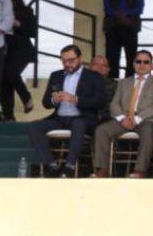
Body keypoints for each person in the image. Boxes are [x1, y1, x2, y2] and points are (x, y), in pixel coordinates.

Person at [26, 45, 108, 177]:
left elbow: (100, 102)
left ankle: (69, 167)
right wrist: (54, 100)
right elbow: (46, 102)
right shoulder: (56, 75)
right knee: (33, 127)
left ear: (80, 58)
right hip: (59, 119)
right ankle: (52, 165)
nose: (67, 64)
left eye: (71, 60)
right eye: (64, 61)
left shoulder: (94, 77)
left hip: (83, 119)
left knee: (78, 124)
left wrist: (76, 99)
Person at [92, 50, 153, 178]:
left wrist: (137, 118)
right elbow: (114, 104)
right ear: (133, 64)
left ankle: (140, 171)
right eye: (138, 61)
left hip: (146, 119)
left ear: (151, 66)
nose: (142, 65)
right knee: (101, 130)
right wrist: (122, 119)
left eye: (146, 62)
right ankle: (102, 170)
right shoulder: (124, 82)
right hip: (125, 119)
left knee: (148, 130)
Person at [2, 0, 38, 121]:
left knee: (11, 72)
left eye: (12, 0)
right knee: (4, 80)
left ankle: (26, 97)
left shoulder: (26, 11)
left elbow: (33, 32)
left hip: (22, 50)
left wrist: (18, 24)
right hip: (5, 50)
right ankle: (8, 116)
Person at [102, 0, 144, 78]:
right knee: (112, 56)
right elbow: (107, 7)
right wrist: (117, 14)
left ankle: (130, 81)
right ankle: (112, 80)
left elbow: (139, 9)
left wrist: (126, 14)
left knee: (131, 57)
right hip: (113, 27)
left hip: (130, 28)